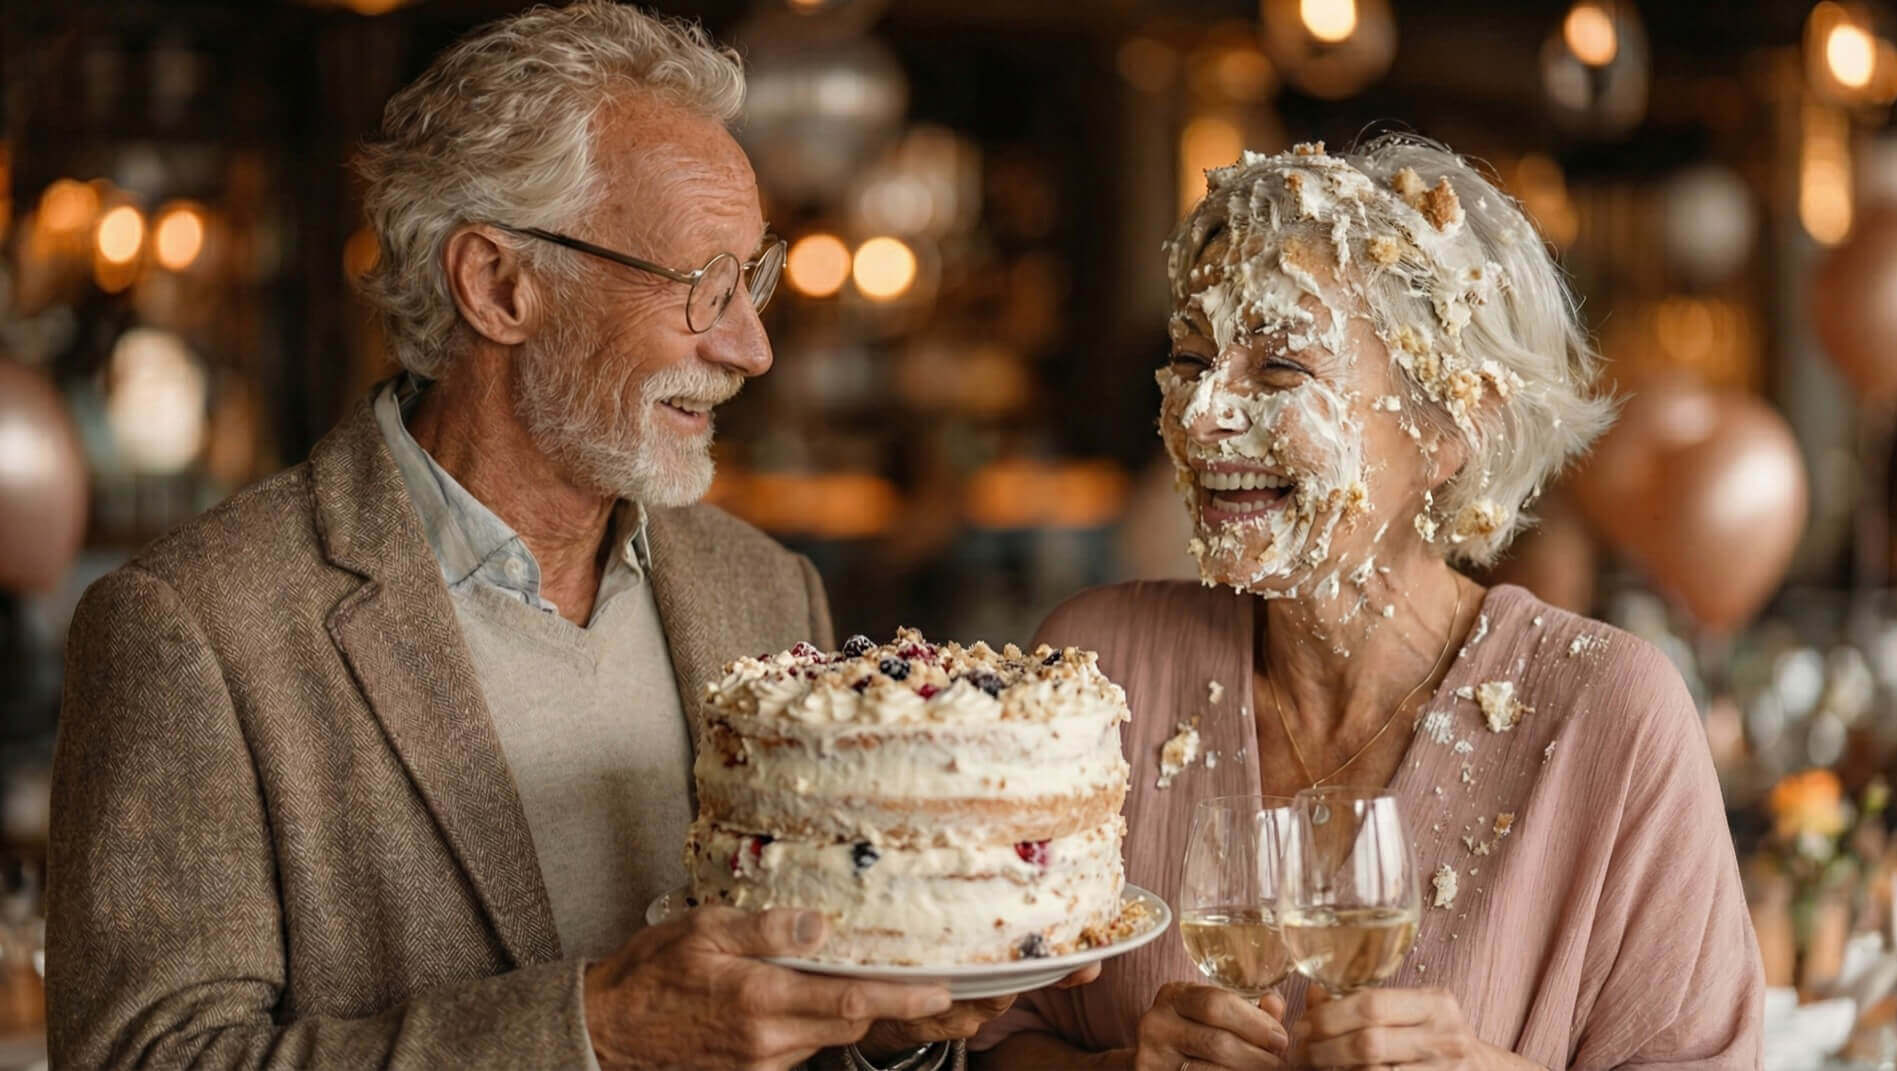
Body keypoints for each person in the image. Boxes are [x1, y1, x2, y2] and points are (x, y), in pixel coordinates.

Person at [47, 4, 1056, 1068]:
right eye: (702, 286)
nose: (751, 348)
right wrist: (592, 1033)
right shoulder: (193, 629)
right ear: (499, 285)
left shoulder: (767, 591)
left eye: (749, 282)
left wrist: (882, 1030)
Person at [974, 138, 1765, 1069]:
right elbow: (979, 1038)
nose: (1198, 414)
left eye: (1277, 370)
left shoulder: (1612, 714)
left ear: (1449, 425)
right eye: (1191, 359)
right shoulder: (1095, 668)